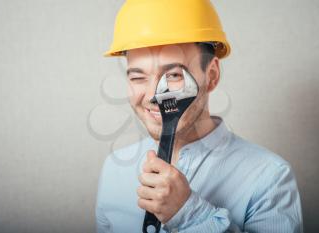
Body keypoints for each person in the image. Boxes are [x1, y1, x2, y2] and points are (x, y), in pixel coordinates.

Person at [95, 0, 303, 232]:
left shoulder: (270, 178)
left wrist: (189, 213)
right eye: (137, 77)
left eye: (173, 74)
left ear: (211, 75)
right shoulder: (114, 170)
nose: (154, 95)